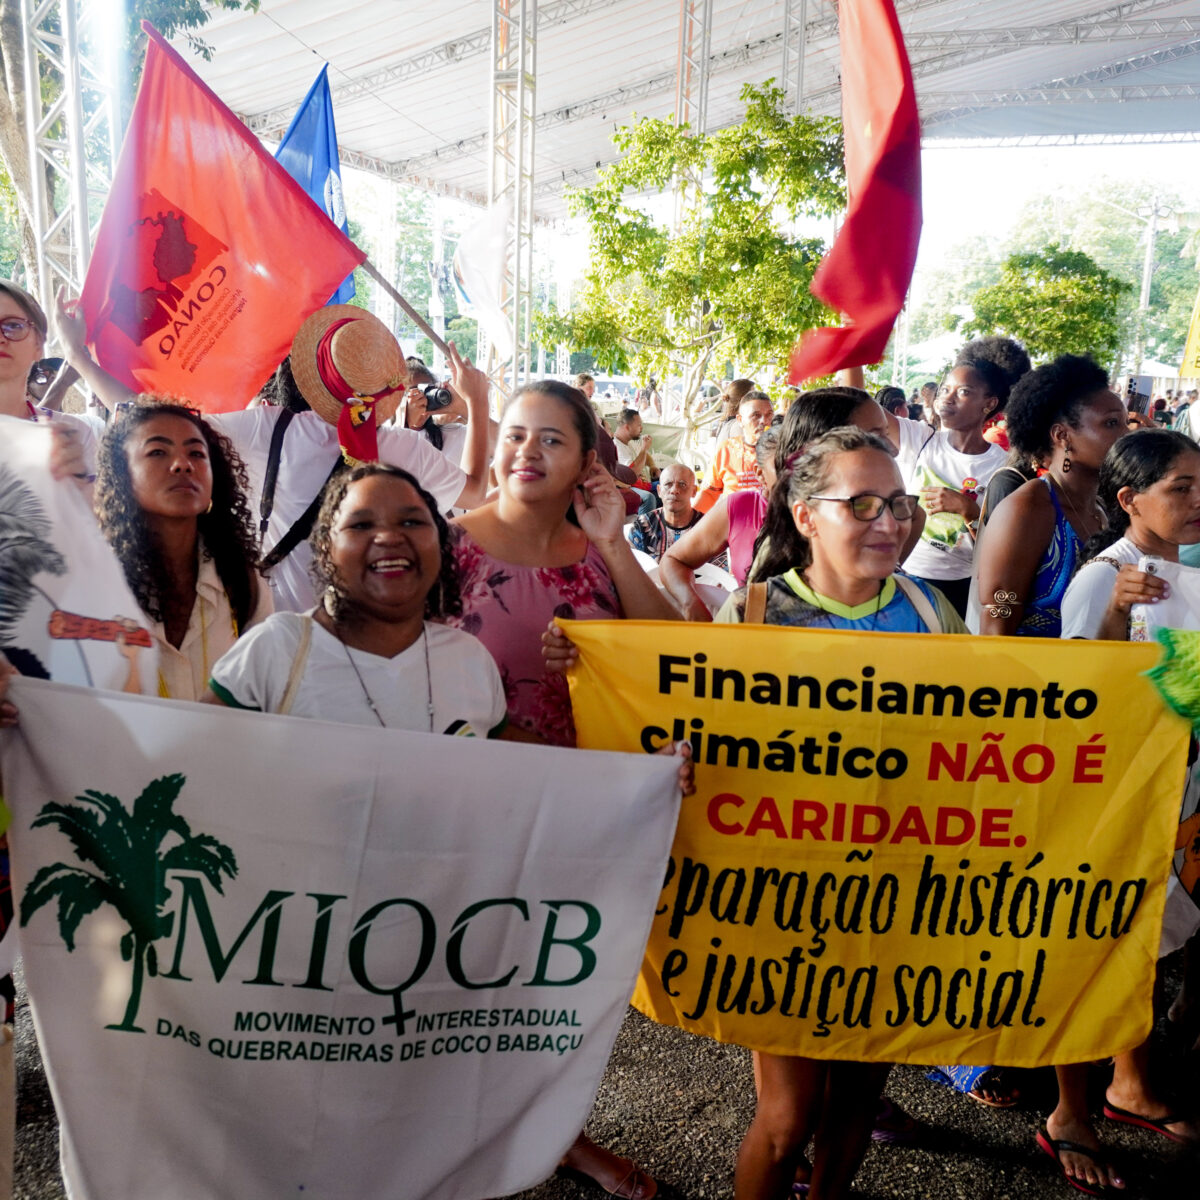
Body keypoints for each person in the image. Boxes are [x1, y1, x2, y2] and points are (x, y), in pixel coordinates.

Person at [713, 427, 961, 1200]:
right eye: (861, 504)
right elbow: (706, 744)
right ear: (805, 513)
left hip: (895, 901)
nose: (889, 522)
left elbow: (977, 745)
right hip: (782, 908)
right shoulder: (753, 614)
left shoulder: (930, 612)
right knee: (787, 1120)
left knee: (854, 1104)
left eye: (898, 502)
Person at [51, 294, 493, 613]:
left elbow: (152, 419)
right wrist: (476, 402)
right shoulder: (405, 449)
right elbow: (474, 493)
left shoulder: (268, 430)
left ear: (317, 375)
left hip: (277, 632)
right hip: (368, 634)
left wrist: (79, 357)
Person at [446, 379, 680, 749]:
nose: (527, 451)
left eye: (551, 441)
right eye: (514, 436)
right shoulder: (445, 548)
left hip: (595, 775)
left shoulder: (602, 553)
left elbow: (676, 656)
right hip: (470, 774)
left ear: (585, 463)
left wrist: (612, 542)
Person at [662, 389, 909, 620]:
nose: (893, 449)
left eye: (897, 505)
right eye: (874, 437)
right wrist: (692, 605)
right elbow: (675, 559)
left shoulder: (917, 602)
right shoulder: (756, 602)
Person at [94, 400, 271, 701]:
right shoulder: (95, 584)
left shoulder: (243, 583)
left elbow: (269, 693)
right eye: (157, 452)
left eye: (196, 453)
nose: (182, 464)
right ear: (122, 476)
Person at [879, 337, 1032, 617]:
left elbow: (1003, 547)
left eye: (963, 392)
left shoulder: (1002, 466)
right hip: (905, 576)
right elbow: (862, 406)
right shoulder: (920, 439)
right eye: (945, 389)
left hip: (961, 589)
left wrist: (968, 510)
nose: (947, 398)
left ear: (989, 403)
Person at [975, 355, 1126, 638]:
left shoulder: (1102, 508)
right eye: (1111, 423)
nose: (1125, 434)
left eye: (1124, 422)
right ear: (1062, 436)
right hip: (1033, 667)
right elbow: (996, 619)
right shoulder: (1029, 507)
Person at [627, 462, 726, 567]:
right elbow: (629, 567)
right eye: (668, 484)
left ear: (694, 491)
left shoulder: (709, 529)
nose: (674, 490)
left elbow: (720, 572)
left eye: (682, 484)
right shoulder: (642, 525)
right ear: (659, 491)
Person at [695, 390, 773, 512]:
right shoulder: (727, 449)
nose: (764, 421)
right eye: (756, 415)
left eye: (769, 414)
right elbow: (709, 493)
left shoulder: (784, 449)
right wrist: (691, 519)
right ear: (740, 420)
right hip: (735, 518)